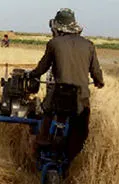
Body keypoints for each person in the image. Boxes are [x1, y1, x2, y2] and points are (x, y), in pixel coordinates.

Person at [27, 8, 104, 169]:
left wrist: (30, 75)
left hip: (58, 96)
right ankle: (70, 158)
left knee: (47, 113)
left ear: (57, 27)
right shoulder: (89, 45)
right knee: (81, 128)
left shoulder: (54, 44)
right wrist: (99, 82)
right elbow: (96, 71)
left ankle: (40, 145)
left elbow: (41, 69)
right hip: (80, 98)